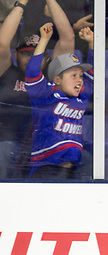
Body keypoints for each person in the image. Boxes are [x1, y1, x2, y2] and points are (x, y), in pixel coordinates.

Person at [25, 23, 93, 179]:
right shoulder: (46, 94)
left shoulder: (81, 96)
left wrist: (92, 44)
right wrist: (44, 40)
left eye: (81, 75)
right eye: (73, 75)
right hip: (46, 169)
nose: (79, 80)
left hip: (72, 170)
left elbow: (95, 74)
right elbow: (32, 73)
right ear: (57, 80)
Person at [0, 0, 33, 178]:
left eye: (36, 55)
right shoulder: (6, 71)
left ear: (47, 57)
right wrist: (20, 4)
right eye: (25, 54)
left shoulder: (50, 77)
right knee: (4, 151)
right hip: (6, 142)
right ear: (16, 54)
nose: (30, 59)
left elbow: (67, 40)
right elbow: (2, 44)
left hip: (39, 144)